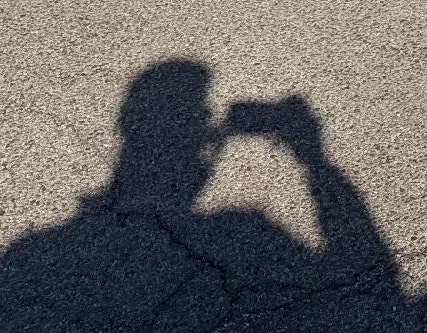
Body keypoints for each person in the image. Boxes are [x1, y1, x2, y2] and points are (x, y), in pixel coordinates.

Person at [0, 59, 404, 329]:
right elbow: (374, 284)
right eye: (201, 119)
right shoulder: (247, 227)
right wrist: (312, 158)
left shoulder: (24, 256)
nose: (204, 134)